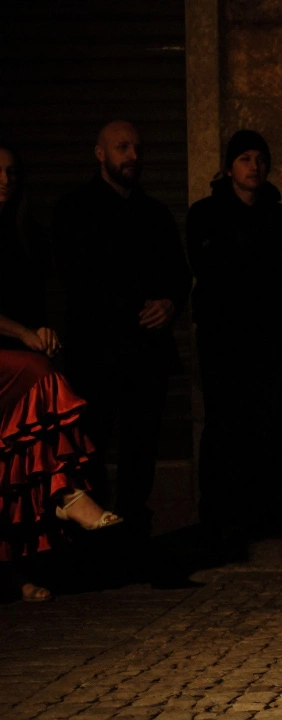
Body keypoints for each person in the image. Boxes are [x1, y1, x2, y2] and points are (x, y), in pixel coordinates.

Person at [52, 121, 191, 549]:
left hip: (145, 355)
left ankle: (131, 536)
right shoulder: (74, 209)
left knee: (140, 451)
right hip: (95, 353)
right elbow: (69, 282)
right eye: (122, 147)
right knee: (89, 448)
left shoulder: (154, 213)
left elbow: (179, 275)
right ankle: (92, 540)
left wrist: (169, 304)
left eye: (137, 148)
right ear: (100, 154)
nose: (133, 155)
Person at [1, 142, 122, 603]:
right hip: (11, 359)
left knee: (19, 452)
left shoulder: (24, 233)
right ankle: (69, 495)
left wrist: (43, 329)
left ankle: (14, 573)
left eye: (13, 172)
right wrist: (25, 334)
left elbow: (34, 303)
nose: (6, 180)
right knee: (42, 378)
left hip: (13, 356)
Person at [187, 130, 282, 540]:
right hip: (224, 337)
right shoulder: (205, 214)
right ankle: (219, 512)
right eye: (244, 159)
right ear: (229, 167)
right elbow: (214, 271)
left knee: (269, 424)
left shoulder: (281, 217)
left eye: (259, 158)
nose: (253, 166)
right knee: (224, 424)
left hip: (270, 337)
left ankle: (264, 511)